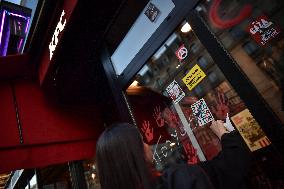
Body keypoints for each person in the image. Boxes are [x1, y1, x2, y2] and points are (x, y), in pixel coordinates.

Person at [96, 121, 250, 189]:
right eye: (141, 141)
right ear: (134, 154)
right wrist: (224, 134)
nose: (147, 145)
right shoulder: (178, 180)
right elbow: (231, 169)